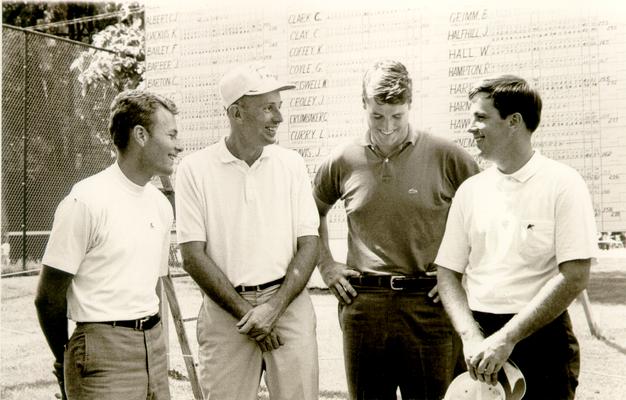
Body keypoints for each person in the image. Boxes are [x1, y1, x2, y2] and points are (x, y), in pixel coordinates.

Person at [313, 59, 479, 400]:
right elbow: (308, 215)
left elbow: (486, 216)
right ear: (363, 104)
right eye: (377, 116)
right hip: (364, 307)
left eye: (397, 116)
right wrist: (327, 265)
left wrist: (462, 276)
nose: (387, 127)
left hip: (430, 306)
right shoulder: (342, 159)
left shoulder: (447, 156)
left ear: (410, 106)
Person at [435, 75, 598, 400]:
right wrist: (470, 336)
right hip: (478, 339)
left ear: (514, 122)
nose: (471, 127)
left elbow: (575, 276)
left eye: (481, 117)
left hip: (542, 340)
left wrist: (508, 337)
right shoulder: (470, 191)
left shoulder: (563, 183)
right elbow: (447, 273)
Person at [175, 63, 320, 400]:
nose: (278, 118)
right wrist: (248, 314)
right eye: (268, 108)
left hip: (288, 305)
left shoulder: (291, 163)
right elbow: (192, 256)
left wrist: (273, 309)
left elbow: (309, 242)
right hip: (227, 313)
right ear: (237, 113)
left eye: (279, 107)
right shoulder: (194, 170)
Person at [34, 89, 182, 400]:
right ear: (140, 135)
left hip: (153, 346)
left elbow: (152, 285)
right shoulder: (87, 200)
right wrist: (64, 361)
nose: (178, 146)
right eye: (171, 134)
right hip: (101, 351)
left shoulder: (160, 205)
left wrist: (153, 342)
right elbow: (48, 297)